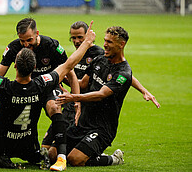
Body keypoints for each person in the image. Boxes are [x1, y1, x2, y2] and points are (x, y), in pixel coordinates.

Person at [0, 11, 95, 170]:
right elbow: (68, 65)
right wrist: (87, 43)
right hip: (28, 145)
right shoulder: (41, 83)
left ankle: (0, 156)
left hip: (5, 141)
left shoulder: (4, 87)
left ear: (15, 65)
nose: (26, 44)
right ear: (34, 67)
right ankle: (49, 156)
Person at [41, 21, 160, 162]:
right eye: (105, 40)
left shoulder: (123, 73)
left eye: (109, 42)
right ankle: (89, 151)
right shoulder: (100, 59)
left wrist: (73, 97)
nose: (104, 44)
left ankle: (114, 159)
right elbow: (83, 83)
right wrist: (55, 77)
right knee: (52, 154)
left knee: (75, 159)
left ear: (121, 45)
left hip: (102, 127)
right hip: (83, 120)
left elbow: (101, 94)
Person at [0, 17, 80, 171]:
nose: (25, 44)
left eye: (29, 40)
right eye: (22, 41)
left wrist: (76, 99)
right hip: (23, 89)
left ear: (36, 33)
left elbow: (70, 73)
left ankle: (61, 158)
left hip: (47, 88)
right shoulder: (13, 48)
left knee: (54, 107)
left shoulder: (52, 46)